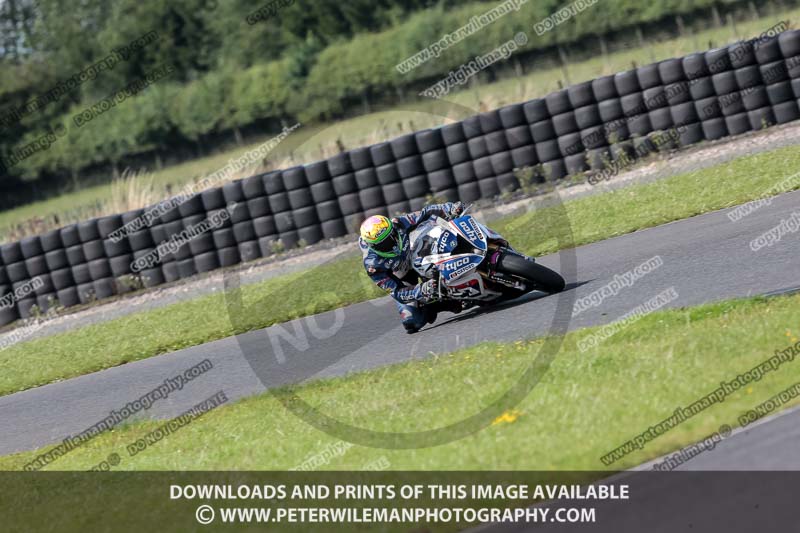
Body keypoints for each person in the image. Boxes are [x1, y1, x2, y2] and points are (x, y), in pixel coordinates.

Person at [358, 201, 466, 333]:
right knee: (411, 321)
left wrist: (450, 208)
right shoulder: (372, 265)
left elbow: (425, 213)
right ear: (374, 247)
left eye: (391, 236)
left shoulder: (398, 223)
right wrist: (420, 290)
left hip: (419, 251)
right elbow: (396, 292)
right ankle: (446, 301)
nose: (392, 243)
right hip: (402, 274)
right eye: (384, 244)